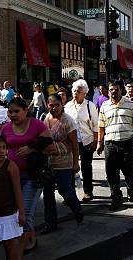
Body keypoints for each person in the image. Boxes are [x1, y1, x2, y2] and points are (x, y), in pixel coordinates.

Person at [0, 97, 52, 253]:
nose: (13, 115)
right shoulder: (5, 129)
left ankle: (18, 250)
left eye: (16, 111)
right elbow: (0, 149)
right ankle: (31, 240)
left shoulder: (37, 125)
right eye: (10, 111)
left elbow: (51, 148)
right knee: (16, 211)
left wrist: (32, 149)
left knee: (25, 212)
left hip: (32, 175)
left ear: (25, 110)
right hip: (11, 177)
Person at [96, 82, 133, 211]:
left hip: (127, 144)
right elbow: (101, 126)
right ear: (108, 92)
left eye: (116, 90)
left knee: (129, 172)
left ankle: (130, 187)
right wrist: (99, 143)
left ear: (121, 90)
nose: (113, 92)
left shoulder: (130, 104)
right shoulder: (104, 106)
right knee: (111, 173)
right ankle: (116, 197)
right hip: (110, 144)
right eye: (111, 90)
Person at [41, 95, 83, 234]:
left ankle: (77, 210)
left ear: (62, 104)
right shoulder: (46, 118)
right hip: (49, 163)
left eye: (57, 105)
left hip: (65, 163)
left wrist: (75, 163)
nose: (54, 108)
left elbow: (75, 144)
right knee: (48, 194)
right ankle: (50, 223)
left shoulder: (68, 121)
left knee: (66, 192)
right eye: (51, 105)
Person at [64, 79, 99, 202]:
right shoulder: (67, 106)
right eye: (74, 91)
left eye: (78, 91)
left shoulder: (90, 106)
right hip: (71, 142)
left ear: (84, 93)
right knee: (70, 168)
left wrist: (96, 141)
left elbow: (95, 125)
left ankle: (87, 192)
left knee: (86, 167)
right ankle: (70, 195)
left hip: (87, 141)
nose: (75, 93)